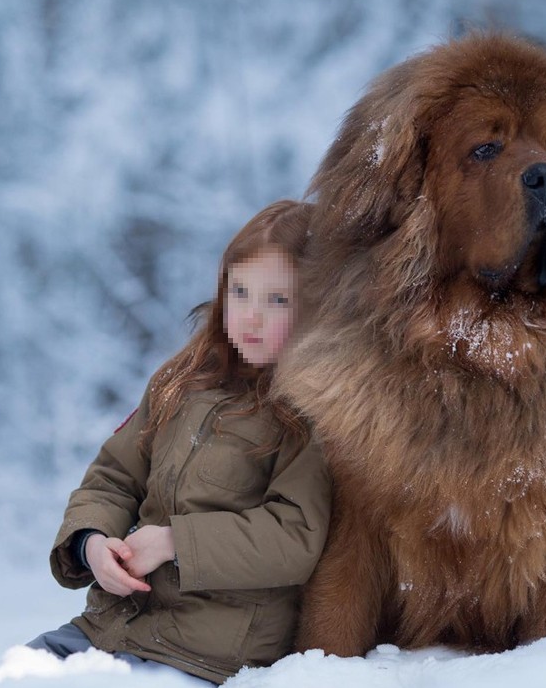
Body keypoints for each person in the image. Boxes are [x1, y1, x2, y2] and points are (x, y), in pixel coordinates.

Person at [28, 200, 331, 685]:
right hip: (109, 627)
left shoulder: (313, 413)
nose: (251, 317)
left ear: (319, 305)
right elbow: (114, 477)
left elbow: (295, 535)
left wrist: (175, 543)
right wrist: (91, 544)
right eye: (240, 293)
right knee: (12, 676)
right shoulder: (182, 380)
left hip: (203, 654)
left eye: (278, 300)